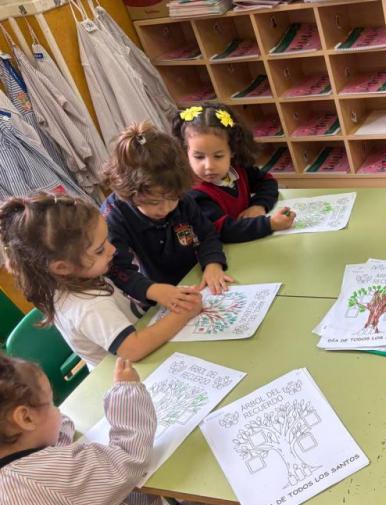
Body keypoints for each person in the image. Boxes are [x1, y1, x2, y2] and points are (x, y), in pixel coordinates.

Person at [0, 354, 210, 505]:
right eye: (52, 403)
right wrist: (126, 391)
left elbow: (52, 434)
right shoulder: (41, 477)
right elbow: (128, 457)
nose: (59, 411)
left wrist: (49, 424)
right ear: (26, 418)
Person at [0, 193, 202, 369]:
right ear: (62, 267)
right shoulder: (87, 306)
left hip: (145, 344)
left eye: (107, 240)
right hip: (129, 375)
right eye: (99, 249)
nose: (112, 249)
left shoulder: (80, 273)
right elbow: (133, 348)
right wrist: (183, 314)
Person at [102, 121, 232, 312]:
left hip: (193, 279)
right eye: (154, 202)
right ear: (130, 194)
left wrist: (213, 263)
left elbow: (207, 233)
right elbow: (118, 269)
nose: (165, 209)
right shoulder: (114, 217)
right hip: (152, 298)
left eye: (173, 199)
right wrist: (153, 291)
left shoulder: (177, 192)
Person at [173, 103, 295, 243]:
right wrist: (270, 224)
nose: (209, 166)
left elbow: (267, 181)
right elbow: (225, 231)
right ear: (186, 152)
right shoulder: (195, 195)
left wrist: (259, 205)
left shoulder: (238, 169)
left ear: (233, 151)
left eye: (218, 156)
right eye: (199, 157)